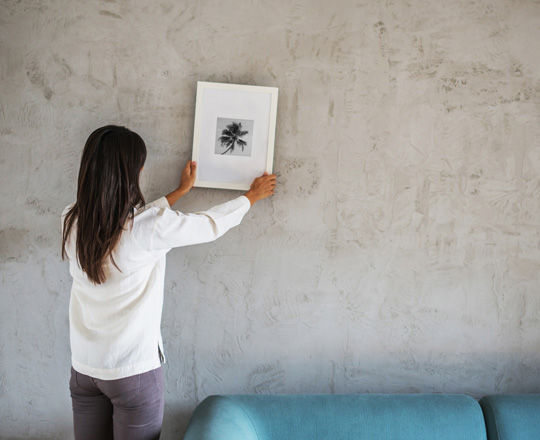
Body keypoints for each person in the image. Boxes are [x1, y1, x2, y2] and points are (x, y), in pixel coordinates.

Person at [61, 125, 276, 440]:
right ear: (131, 172)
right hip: (132, 373)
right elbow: (210, 225)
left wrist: (178, 193)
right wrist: (251, 197)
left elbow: (130, 225)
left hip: (85, 371)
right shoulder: (149, 229)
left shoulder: (71, 220)